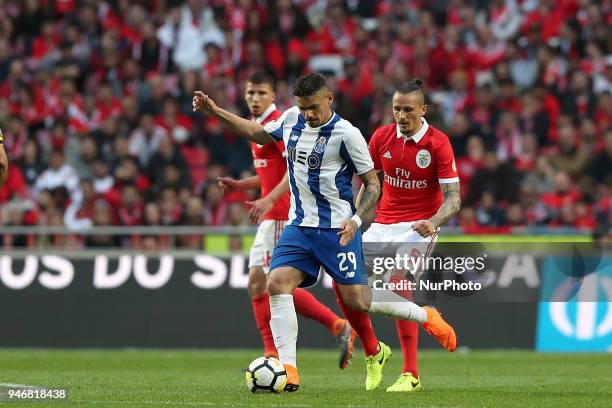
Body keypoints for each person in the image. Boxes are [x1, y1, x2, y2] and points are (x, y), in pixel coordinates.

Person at [193, 73, 456, 392]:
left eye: (313, 108)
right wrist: (215, 111)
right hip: (299, 227)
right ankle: (289, 370)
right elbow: (257, 133)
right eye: (303, 108)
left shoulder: (348, 134)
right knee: (276, 284)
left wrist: (357, 221)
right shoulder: (290, 119)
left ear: (329, 98)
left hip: (337, 230)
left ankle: (424, 315)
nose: (308, 115)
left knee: (358, 300)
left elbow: (373, 184)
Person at [216, 72, 357, 369]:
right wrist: (242, 186)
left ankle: (333, 327)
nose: (254, 98)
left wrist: (269, 199)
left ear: (272, 96)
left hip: (283, 213)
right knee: (257, 284)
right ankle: (273, 352)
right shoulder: (261, 126)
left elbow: (291, 172)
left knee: (272, 284)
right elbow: (270, 175)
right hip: (269, 214)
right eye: (250, 93)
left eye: (260, 93)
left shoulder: (287, 121)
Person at [359, 79, 461, 392]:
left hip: (419, 226)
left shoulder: (437, 143)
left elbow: (454, 196)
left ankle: (411, 374)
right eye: (396, 109)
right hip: (381, 225)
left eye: (407, 110)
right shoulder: (381, 136)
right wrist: (354, 219)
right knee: (351, 290)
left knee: (397, 283)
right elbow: (370, 183)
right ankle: (376, 351)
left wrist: (434, 220)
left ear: (422, 110)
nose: (401, 116)